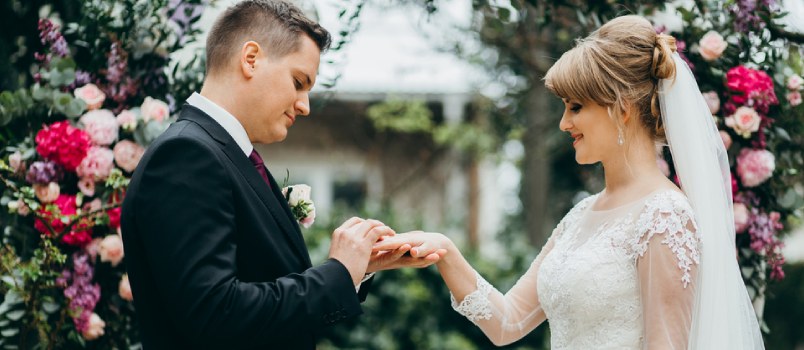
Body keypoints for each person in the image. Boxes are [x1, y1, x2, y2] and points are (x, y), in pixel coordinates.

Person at [375, 15, 765, 349]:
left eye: (576, 107)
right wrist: (445, 251)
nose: (564, 123)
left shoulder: (665, 216)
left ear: (621, 108)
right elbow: (507, 323)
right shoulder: (581, 215)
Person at [120, 1, 442, 349]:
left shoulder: (226, 155)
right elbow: (214, 313)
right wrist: (335, 274)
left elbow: (262, 292)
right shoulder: (185, 155)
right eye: (299, 82)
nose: (304, 105)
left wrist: (354, 271)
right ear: (251, 59)